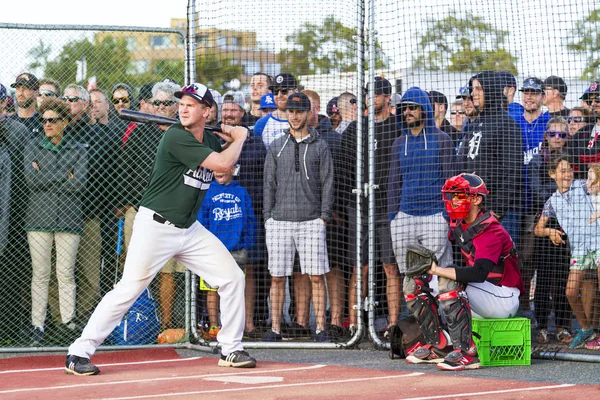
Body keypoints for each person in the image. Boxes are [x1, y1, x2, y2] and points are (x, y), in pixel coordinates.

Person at [65, 82, 256, 375]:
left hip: (189, 230)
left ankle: (230, 348)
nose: (182, 108)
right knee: (128, 289)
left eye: (191, 104)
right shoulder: (176, 138)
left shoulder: (209, 139)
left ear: (207, 111)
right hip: (156, 227)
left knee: (231, 277)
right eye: (181, 103)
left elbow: (224, 169)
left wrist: (229, 139)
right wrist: (240, 137)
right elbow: (221, 162)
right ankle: (79, 352)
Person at [404, 173, 523, 371]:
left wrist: (438, 269)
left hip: (504, 297)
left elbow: (479, 273)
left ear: (476, 199)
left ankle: (467, 352)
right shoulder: (460, 224)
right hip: (483, 295)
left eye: (459, 196)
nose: (453, 201)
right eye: (452, 196)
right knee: (414, 282)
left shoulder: (490, 230)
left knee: (449, 279)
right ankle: (440, 345)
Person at [262, 92, 334, 342]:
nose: (294, 116)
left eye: (299, 111)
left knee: (316, 276)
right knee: (278, 277)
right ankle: (275, 329)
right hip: (279, 221)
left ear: (308, 113)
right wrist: (268, 218)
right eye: (291, 112)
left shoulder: (321, 145)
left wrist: (323, 217)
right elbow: (268, 184)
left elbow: (328, 183)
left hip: (312, 220)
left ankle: (321, 329)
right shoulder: (275, 146)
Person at [387, 87, 457, 333]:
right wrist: (393, 217)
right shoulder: (398, 143)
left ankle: (448, 327)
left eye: (412, 107)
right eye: (404, 107)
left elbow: (450, 182)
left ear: (424, 110)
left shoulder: (443, 140)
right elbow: (393, 183)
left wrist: (446, 216)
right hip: (405, 216)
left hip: (435, 215)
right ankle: (418, 330)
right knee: (410, 277)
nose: (407, 112)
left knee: (441, 273)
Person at [339, 76, 400, 336]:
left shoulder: (397, 127)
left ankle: (394, 324)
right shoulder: (356, 128)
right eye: (367, 94)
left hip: (388, 206)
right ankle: (355, 324)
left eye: (376, 94)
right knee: (359, 267)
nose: (370, 98)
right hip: (360, 206)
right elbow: (344, 166)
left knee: (390, 266)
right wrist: (345, 204)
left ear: (387, 98)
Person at [24, 98, 88, 345]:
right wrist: (64, 175)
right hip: (38, 219)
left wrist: (46, 174)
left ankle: (68, 323)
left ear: (65, 122)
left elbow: (79, 183)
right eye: (44, 120)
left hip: (69, 219)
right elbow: (31, 181)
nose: (47, 124)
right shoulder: (32, 146)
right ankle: (37, 325)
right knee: (40, 274)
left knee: (66, 274)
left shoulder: (79, 148)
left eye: (52, 120)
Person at [534, 155, 599, 349]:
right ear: (552, 174)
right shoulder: (552, 202)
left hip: (597, 242)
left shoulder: (583, 186)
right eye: (562, 171)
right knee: (571, 291)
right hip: (578, 249)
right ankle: (586, 330)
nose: (567, 174)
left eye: (570, 170)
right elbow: (538, 229)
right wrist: (550, 231)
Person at [459, 71, 523, 242]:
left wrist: (496, 211)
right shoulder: (474, 124)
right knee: (476, 265)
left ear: (491, 90)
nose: (473, 93)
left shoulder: (507, 124)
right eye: (473, 89)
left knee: (500, 265)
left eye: (479, 88)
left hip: (500, 213)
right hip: (474, 209)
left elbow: (513, 172)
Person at [198, 164, 256, 340]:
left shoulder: (241, 193)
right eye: (215, 168)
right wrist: (205, 244)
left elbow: (250, 220)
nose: (219, 171)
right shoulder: (207, 192)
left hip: (237, 250)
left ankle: (237, 326)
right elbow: (202, 221)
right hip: (213, 250)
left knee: (236, 289)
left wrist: (247, 243)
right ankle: (215, 325)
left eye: (223, 168)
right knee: (212, 288)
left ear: (233, 170)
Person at [528, 117, 572, 344]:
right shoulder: (538, 160)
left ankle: (564, 326)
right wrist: (560, 191)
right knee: (544, 277)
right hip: (544, 221)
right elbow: (538, 192)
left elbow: (576, 187)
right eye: (553, 134)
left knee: (565, 276)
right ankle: (543, 326)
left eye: (562, 134)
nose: (557, 138)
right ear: (546, 135)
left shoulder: (572, 159)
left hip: (570, 225)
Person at [514, 77, 552, 314]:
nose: (529, 97)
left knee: (546, 263)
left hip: (545, 202)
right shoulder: (513, 121)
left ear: (542, 97)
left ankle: (545, 314)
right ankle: (524, 308)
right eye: (526, 92)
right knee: (523, 260)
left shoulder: (549, 122)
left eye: (534, 93)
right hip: (518, 202)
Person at [254, 73, 298, 148]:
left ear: (296, 92)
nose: (279, 95)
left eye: (284, 91)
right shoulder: (262, 124)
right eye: (275, 91)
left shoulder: (304, 121)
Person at [10, 72, 42, 137]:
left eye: (25, 88)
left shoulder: (44, 122)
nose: (20, 93)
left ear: (36, 93)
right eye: (18, 88)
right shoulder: (9, 122)